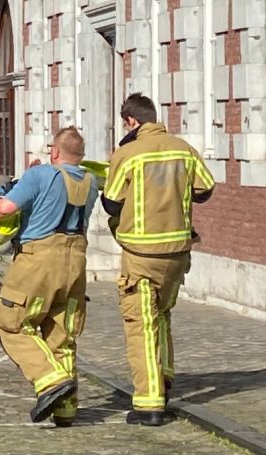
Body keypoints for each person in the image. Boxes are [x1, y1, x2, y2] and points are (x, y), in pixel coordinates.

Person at [102, 94, 214, 426]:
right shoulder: (184, 148)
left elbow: (111, 204)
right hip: (177, 254)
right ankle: (164, 376)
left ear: (131, 122)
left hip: (140, 254)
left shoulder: (127, 154)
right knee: (162, 315)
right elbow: (205, 190)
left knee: (141, 325)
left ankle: (149, 403)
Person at [0, 127, 98, 427]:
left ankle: (50, 381)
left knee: (11, 324)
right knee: (62, 335)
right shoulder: (91, 182)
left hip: (39, 260)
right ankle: (66, 410)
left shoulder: (40, 176)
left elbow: (6, 207)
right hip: (76, 261)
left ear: (55, 151)